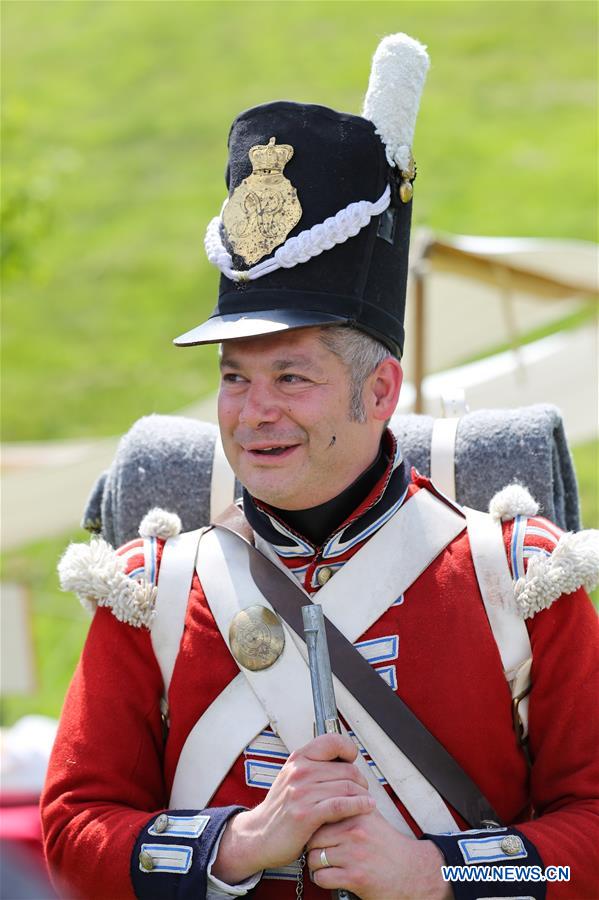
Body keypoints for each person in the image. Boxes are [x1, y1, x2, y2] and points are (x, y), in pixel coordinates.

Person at [41, 33, 599, 900]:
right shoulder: (148, 590)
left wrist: (435, 873)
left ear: (379, 391)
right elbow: (74, 828)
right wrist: (238, 845)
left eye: (290, 378)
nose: (252, 411)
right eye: (234, 378)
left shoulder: (520, 579)